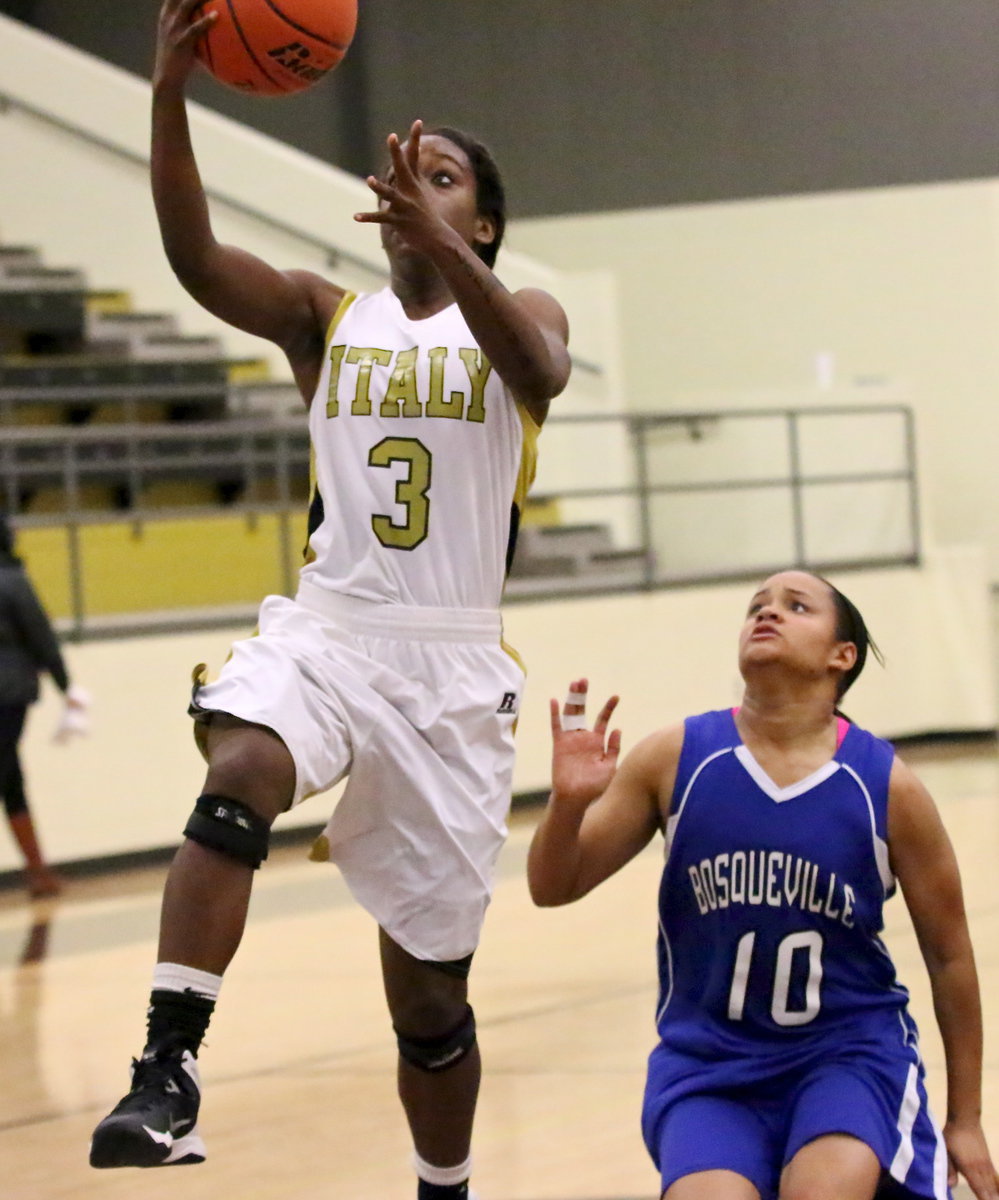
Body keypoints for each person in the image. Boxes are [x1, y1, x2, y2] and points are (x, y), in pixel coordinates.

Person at [88, 1, 571, 1195]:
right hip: (333, 629)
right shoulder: (328, 317)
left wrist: (447, 253)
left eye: (444, 174)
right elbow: (196, 261)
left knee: (428, 1001)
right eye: (405, 166)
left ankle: (442, 1184)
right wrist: (166, 92)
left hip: (450, 672)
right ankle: (166, 1074)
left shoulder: (523, 318)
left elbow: (546, 370)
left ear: (484, 222)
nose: (414, 179)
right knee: (242, 763)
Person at [527, 569, 999, 1200]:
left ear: (842, 656)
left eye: (796, 606)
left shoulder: (885, 786)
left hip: (846, 1056)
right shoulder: (676, 758)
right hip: (709, 1066)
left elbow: (950, 956)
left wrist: (966, 1118)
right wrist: (565, 806)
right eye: (757, 606)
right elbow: (553, 885)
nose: (767, 614)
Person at [0, 514, 88, 899]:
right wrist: (66, 686)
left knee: (9, 774)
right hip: (9, 693)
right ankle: (38, 873)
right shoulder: (13, 581)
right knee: (7, 773)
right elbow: (42, 637)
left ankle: (38, 873)